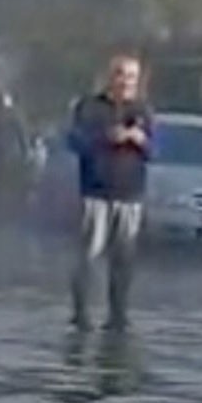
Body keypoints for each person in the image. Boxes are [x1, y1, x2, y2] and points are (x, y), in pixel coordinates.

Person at [66, 53, 153, 330]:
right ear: (110, 77)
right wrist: (106, 137)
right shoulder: (90, 107)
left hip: (130, 194)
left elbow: (156, 150)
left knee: (124, 257)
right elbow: (75, 141)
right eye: (121, 75)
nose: (126, 82)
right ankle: (81, 313)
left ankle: (118, 314)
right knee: (90, 254)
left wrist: (141, 141)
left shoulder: (143, 111)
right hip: (96, 192)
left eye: (132, 78)